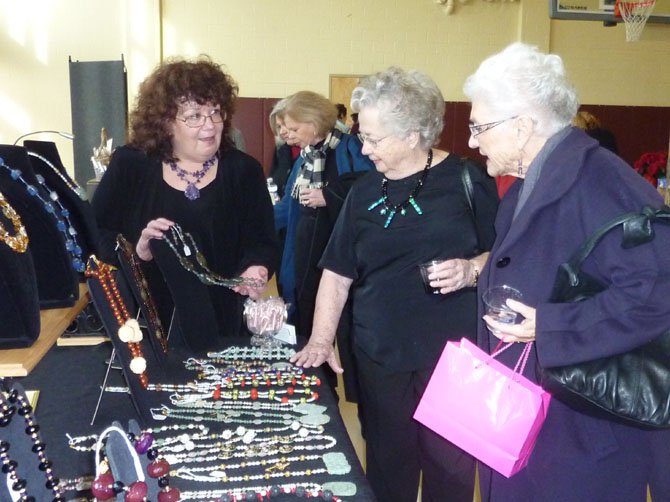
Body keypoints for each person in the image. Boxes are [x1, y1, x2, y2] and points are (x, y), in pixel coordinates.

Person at [464, 42, 670, 501]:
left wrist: (551, 325)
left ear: (522, 126)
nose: (472, 141)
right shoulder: (536, 180)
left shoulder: (602, 181)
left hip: (584, 433)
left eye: (480, 127)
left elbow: (656, 292)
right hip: (537, 418)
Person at [290, 67, 499, 502]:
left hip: (453, 360)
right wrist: (322, 337)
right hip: (379, 356)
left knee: (451, 473)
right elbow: (337, 271)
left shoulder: (467, 180)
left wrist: (471, 268)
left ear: (413, 134)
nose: (364, 150)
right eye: (362, 136)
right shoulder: (364, 191)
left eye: (374, 139)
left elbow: (505, 254)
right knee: (387, 468)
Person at [93, 55, 278, 343]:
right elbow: (98, 236)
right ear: (166, 122)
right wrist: (137, 250)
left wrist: (257, 266)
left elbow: (263, 240)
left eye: (216, 112)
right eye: (194, 116)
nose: (210, 125)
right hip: (150, 321)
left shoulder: (243, 170)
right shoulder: (131, 165)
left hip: (225, 318)